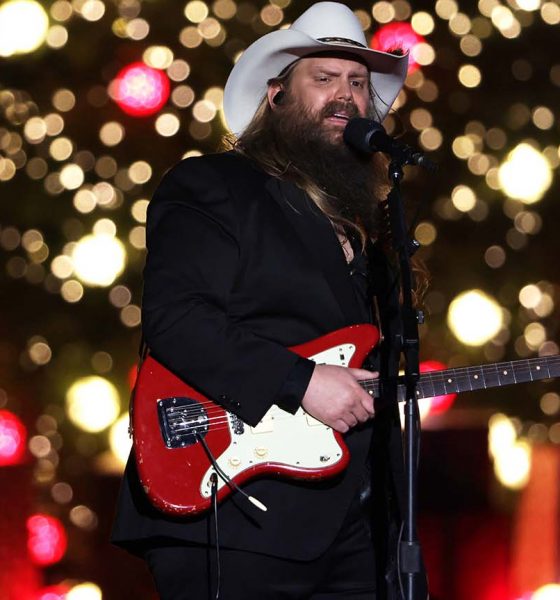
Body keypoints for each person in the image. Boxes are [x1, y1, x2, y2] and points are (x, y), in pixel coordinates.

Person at [112, 3, 416, 599]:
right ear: (276, 95)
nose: (346, 96)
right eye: (323, 78)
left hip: (354, 530)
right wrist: (301, 382)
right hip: (230, 512)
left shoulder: (368, 223)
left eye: (357, 83)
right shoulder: (214, 185)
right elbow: (178, 319)